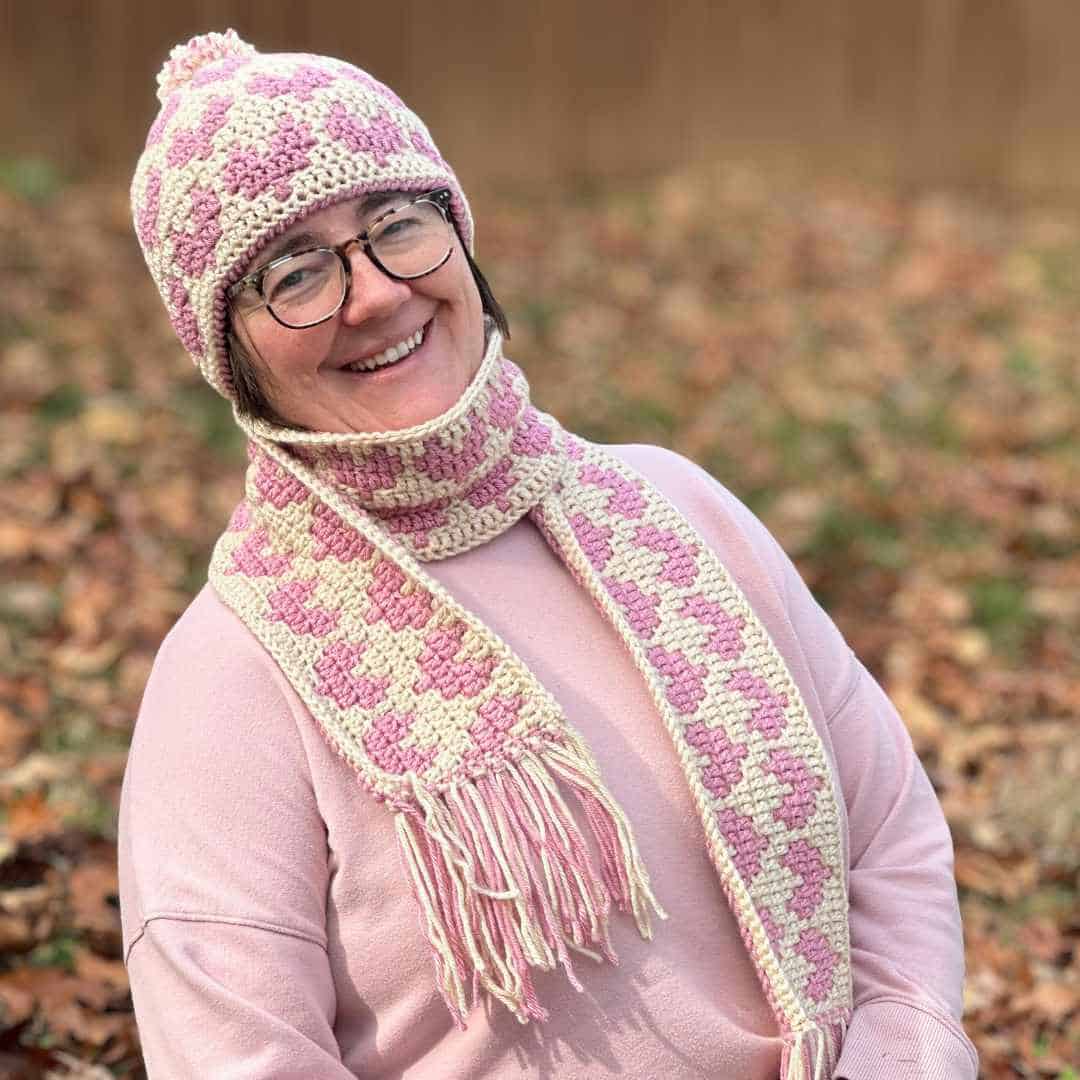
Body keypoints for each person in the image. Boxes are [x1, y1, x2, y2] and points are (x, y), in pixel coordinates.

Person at [119, 29, 978, 1080]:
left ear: (458, 236)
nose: (379, 291)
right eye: (295, 273)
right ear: (228, 352)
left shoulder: (680, 507)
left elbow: (888, 842)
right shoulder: (226, 681)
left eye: (396, 223)